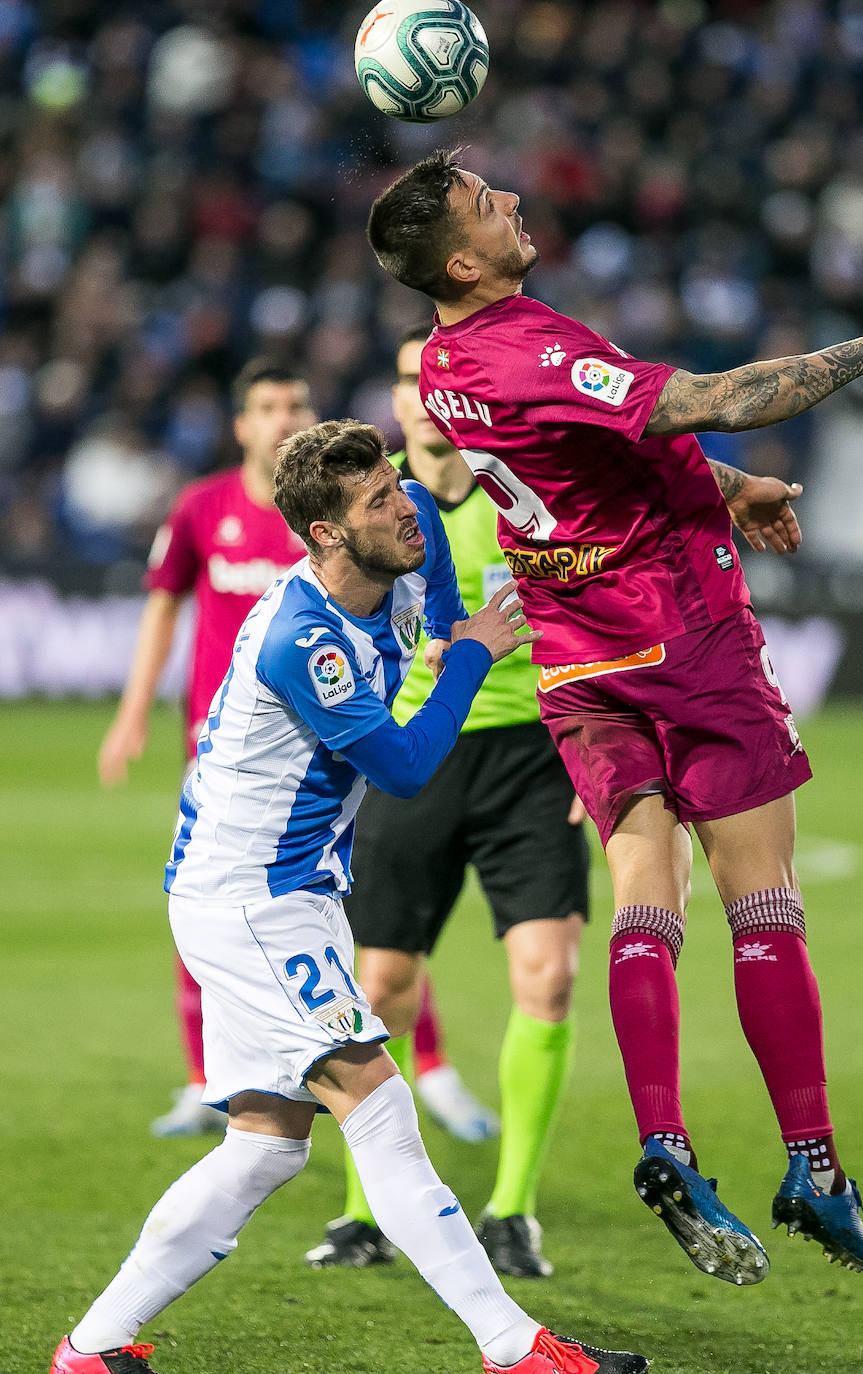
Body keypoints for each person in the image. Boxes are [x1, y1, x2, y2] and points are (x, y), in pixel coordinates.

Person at [365, 149, 863, 1285]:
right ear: (460, 258)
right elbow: (709, 401)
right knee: (766, 904)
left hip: (574, 657)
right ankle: (812, 1165)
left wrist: (726, 490)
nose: (508, 199)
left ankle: (665, 1141)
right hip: (680, 634)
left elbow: (594, 449)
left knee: (646, 897)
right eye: (483, 202)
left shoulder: (447, 362)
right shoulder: (532, 345)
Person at [51, 419, 648, 1374]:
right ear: (327, 533)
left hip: (289, 892)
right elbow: (408, 767)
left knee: (264, 1147)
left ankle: (93, 1348)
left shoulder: (396, 565)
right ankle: (513, 1346)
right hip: (247, 899)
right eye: (378, 500)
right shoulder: (303, 639)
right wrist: (471, 656)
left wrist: (457, 611)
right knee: (376, 1104)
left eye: (398, 487)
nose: (405, 507)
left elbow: (446, 595)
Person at [98, 358, 490, 1142]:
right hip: (239, 754)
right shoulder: (204, 510)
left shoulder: (373, 516)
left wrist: (445, 632)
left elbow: (427, 539)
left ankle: (429, 1064)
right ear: (242, 425)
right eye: (267, 406)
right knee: (231, 906)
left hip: (343, 738)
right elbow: (164, 603)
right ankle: (210, 1077)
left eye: (295, 403)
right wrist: (135, 706)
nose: (283, 417)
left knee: (378, 918)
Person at [304, 327, 589, 1280]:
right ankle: (364, 1212)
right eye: (409, 384)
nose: (425, 398)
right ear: (396, 405)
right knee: (377, 988)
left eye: (442, 381)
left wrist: (597, 749)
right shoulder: (379, 521)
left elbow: (597, 623)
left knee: (547, 977)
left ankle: (512, 1209)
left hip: (532, 759)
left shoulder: (528, 502)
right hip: (412, 760)